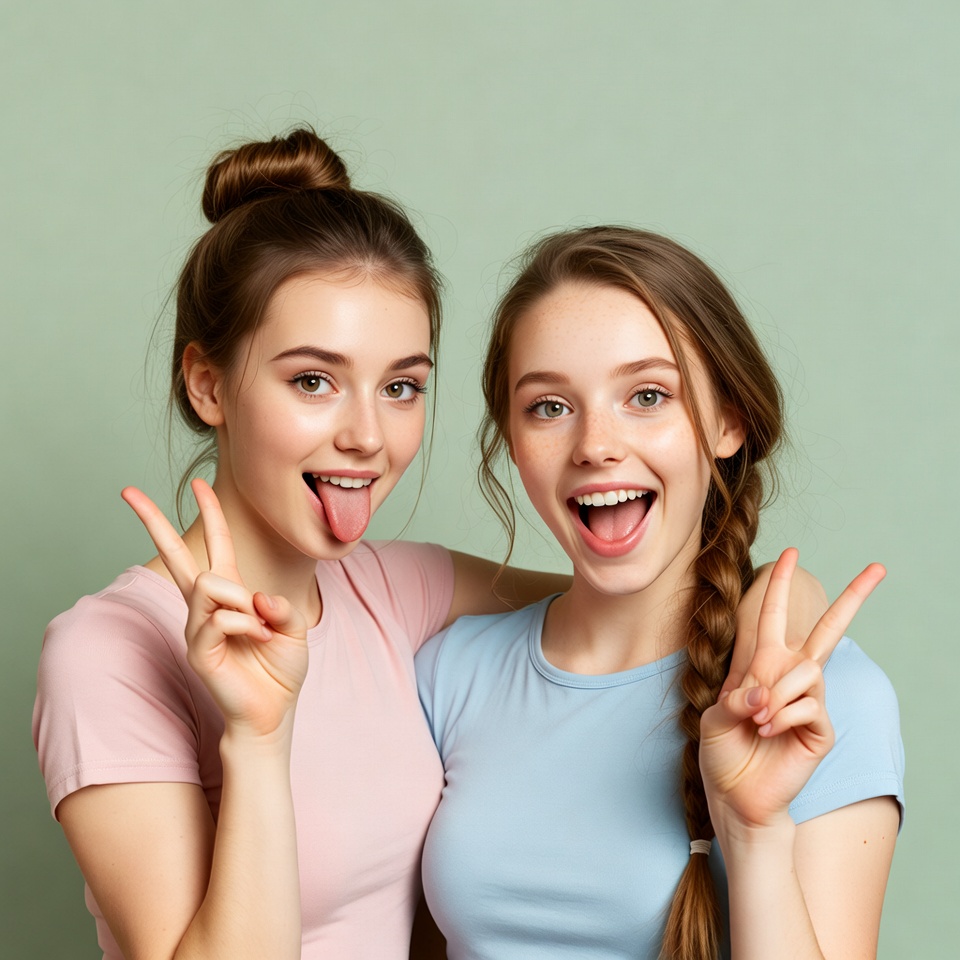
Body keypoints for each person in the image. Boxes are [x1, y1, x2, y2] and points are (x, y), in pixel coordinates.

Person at [33, 132, 824, 960]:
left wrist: (780, 604)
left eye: (401, 386)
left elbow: (643, 592)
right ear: (208, 385)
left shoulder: (393, 592)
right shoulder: (108, 649)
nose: (368, 436)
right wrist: (259, 743)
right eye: (312, 381)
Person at [415, 227, 903, 959]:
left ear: (728, 422)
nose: (596, 444)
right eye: (548, 406)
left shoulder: (825, 702)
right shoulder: (447, 674)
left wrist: (752, 830)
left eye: (647, 395)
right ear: (513, 443)